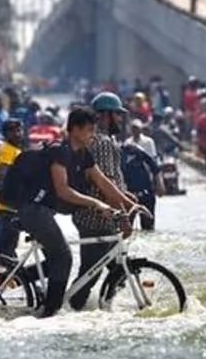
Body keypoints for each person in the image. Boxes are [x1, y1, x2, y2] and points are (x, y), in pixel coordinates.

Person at [14, 107, 140, 318]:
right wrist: (98, 205)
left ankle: (18, 278)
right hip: (33, 209)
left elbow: (104, 183)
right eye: (89, 129)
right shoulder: (60, 152)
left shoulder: (84, 155)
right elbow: (64, 191)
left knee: (56, 259)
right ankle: (50, 313)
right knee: (64, 258)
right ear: (74, 130)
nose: (93, 134)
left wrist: (129, 204)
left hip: (46, 211)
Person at [71, 93, 137, 311]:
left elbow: (111, 182)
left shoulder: (94, 140)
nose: (119, 120)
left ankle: (104, 308)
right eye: (116, 115)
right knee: (89, 274)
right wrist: (124, 216)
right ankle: (67, 311)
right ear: (104, 116)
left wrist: (127, 197)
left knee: (117, 269)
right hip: (98, 217)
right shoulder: (103, 143)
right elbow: (106, 184)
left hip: (92, 215)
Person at [119, 126, 164, 231]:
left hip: (146, 193)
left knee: (148, 228)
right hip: (128, 196)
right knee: (126, 229)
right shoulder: (116, 157)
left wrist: (160, 184)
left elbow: (155, 167)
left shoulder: (135, 150)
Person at [0, 119, 26, 256]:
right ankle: (7, 276)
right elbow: (3, 176)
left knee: (9, 248)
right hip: (6, 208)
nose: (17, 134)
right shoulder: (7, 150)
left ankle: (11, 276)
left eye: (19, 130)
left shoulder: (15, 149)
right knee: (6, 249)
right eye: (13, 131)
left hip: (11, 207)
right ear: (5, 134)